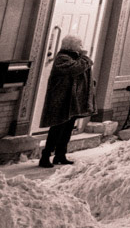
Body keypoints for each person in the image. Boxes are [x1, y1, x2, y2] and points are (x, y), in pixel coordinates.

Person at [39, 35, 94, 168]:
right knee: (57, 128)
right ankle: (45, 156)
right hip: (61, 100)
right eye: (79, 44)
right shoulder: (62, 58)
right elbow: (76, 69)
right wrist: (85, 58)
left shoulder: (75, 58)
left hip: (72, 101)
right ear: (71, 45)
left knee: (68, 128)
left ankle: (60, 155)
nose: (82, 46)